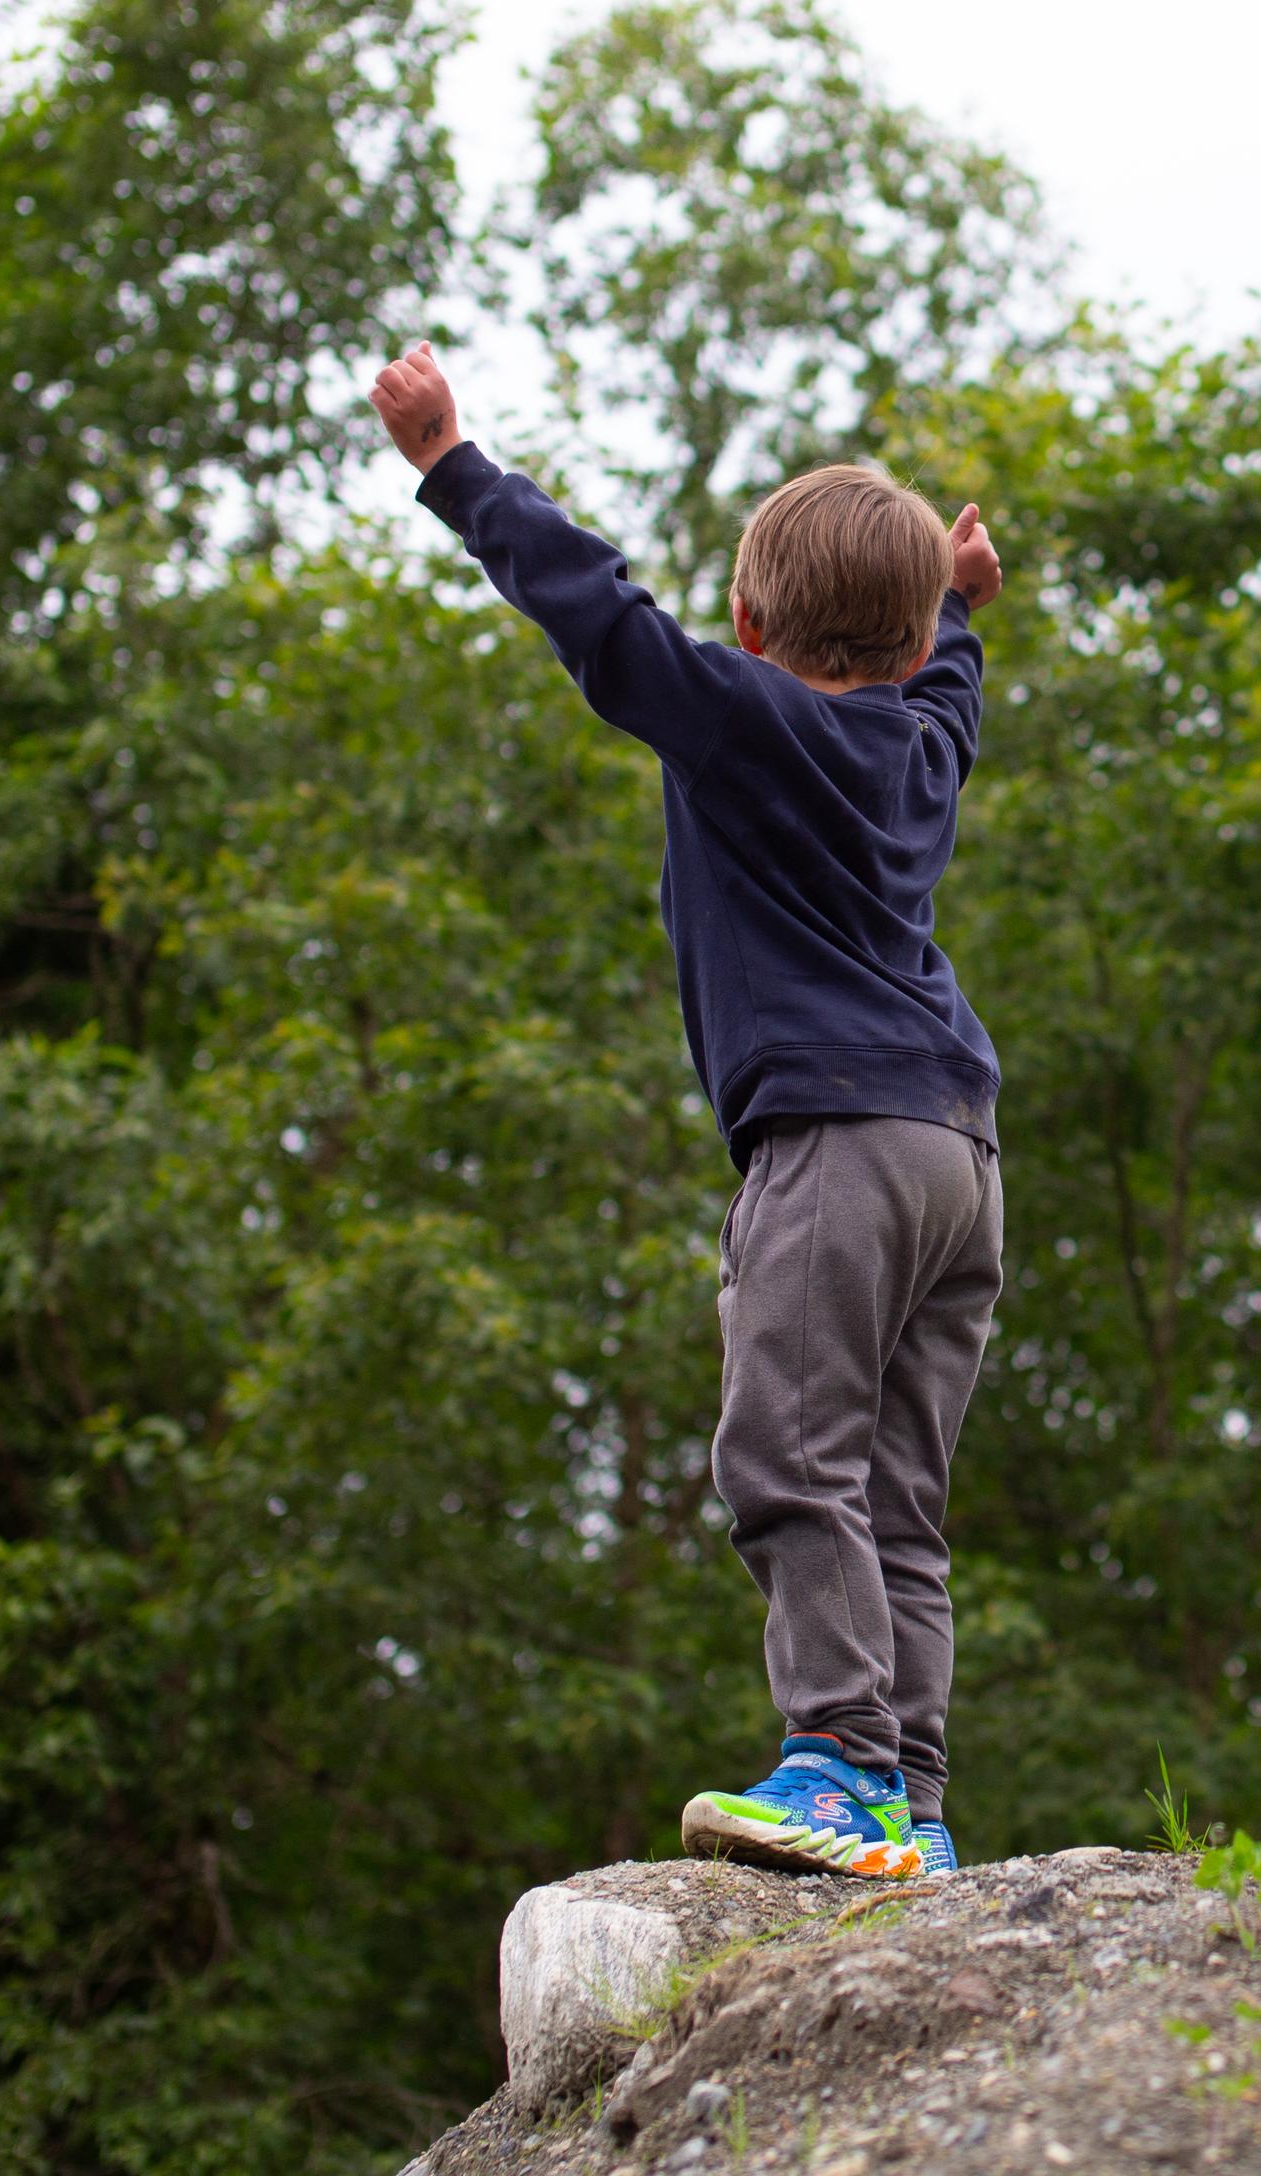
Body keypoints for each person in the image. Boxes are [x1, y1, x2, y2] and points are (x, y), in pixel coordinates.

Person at [370, 343, 1005, 1882]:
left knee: (786, 1456)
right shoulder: (922, 745)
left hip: (837, 1144)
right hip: (960, 1159)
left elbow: (597, 616)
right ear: (914, 639)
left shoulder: (738, 719)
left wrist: (452, 463)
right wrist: (963, 616)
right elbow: (954, 698)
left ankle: (840, 1768)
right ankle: (911, 1798)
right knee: (898, 1499)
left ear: (747, 627)